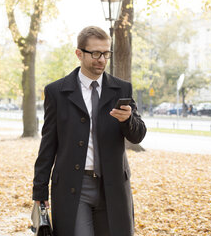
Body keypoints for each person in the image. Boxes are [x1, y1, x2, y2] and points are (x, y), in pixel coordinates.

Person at [32, 26, 147, 236]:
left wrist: (128, 120)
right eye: (95, 53)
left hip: (112, 186)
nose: (101, 59)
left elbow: (137, 135)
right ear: (79, 54)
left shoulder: (122, 89)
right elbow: (48, 144)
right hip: (71, 185)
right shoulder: (57, 92)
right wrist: (39, 189)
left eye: (106, 53)